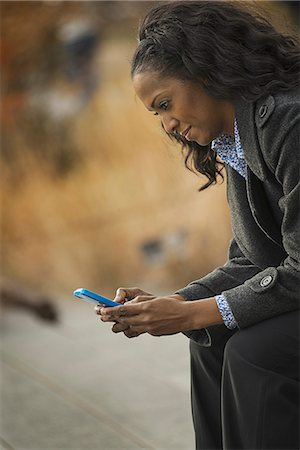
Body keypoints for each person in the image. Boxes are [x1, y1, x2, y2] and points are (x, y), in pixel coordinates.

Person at [96, 2, 300, 449]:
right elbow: (252, 259)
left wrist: (190, 313)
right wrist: (176, 301)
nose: (168, 125)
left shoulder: (289, 121)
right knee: (210, 341)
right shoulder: (236, 142)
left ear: (206, 72)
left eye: (165, 103)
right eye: (157, 114)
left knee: (255, 354)